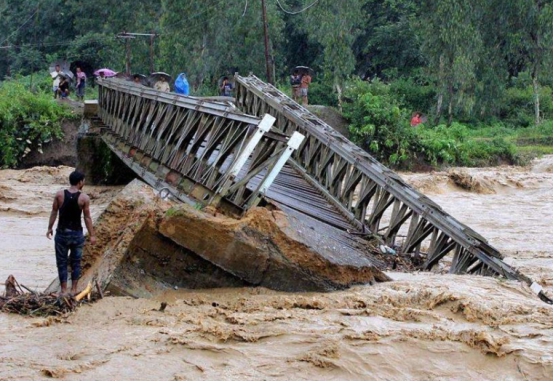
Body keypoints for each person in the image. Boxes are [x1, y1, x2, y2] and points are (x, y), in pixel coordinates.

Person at [46, 170, 96, 296]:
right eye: (83, 180)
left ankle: (63, 290)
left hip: (61, 234)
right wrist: (92, 235)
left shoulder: (59, 195)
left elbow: (54, 212)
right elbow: (87, 218)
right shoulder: (84, 198)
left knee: (61, 262)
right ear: (80, 182)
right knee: (76, 263)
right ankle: (73, 289)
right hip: (76, 235)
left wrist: (49, 228)